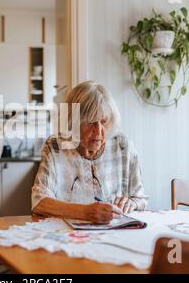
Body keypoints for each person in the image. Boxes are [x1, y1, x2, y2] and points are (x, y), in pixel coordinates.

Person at [32, 81, 148, 223]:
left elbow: (140, 198)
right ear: (73, 122)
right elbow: (39, 202)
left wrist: (133, 203)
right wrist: (85, 212)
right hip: (68, 238)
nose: (99, 131)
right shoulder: (56, 147)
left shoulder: (123, 146)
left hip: (116, 237)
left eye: (104, 121)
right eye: (91, 122)